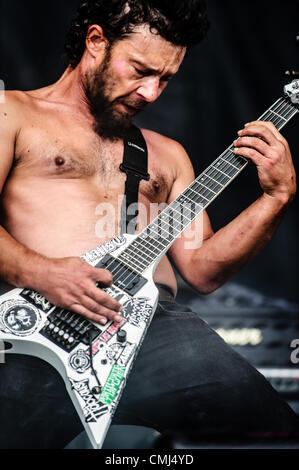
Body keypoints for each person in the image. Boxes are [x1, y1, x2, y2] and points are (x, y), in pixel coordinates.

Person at [0, 0, 298, 449]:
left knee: (271, 433)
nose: (151, 92)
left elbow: (202, 269)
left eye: (165, 79)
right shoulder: (12, 114)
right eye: (140, 70)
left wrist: (276, 198)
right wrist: (42, 271)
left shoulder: (168, 155)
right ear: (96, 41)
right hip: (36, 327)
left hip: (157, 333)